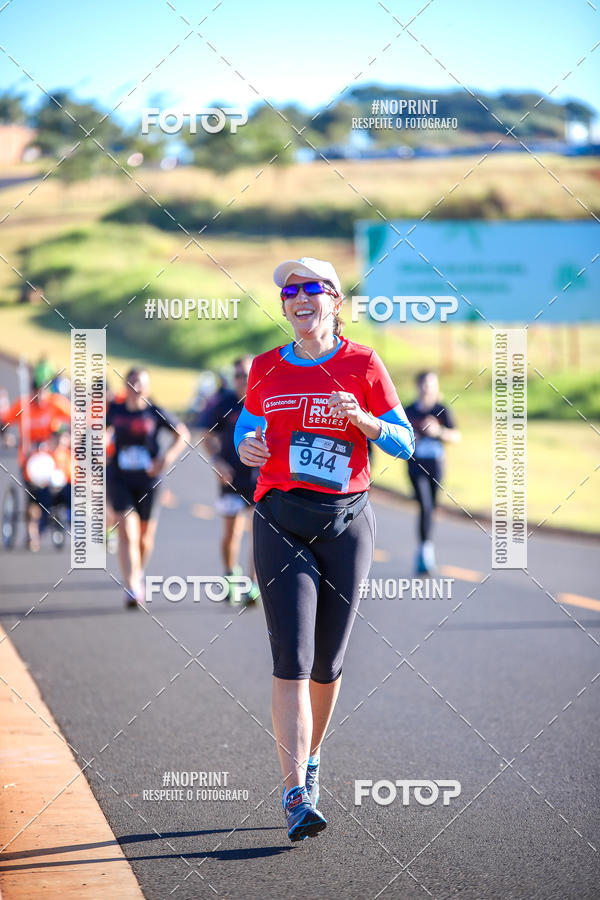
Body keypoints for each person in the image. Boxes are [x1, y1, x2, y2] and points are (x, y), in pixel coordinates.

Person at [234, 257, 414, 842]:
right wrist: (249, 450)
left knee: (327, 665)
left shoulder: (362, 363)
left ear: (335, 301)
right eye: (289, 291)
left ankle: (311, 759)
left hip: (347, 523)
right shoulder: (265, 366)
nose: (299, 298)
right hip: (280, 519)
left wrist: (364, 421)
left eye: (313, 289)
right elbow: (245, 430)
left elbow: (405, 441)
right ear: (283, 306)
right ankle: (294, 794)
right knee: (292, 657)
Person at [106, 368, 189, 608]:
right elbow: (100, 431)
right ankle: (132, 586)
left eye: (140, 384)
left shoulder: (155, 412)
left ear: (148, 388)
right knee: (127, 531)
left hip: (149, 481)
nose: (135, 388)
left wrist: (166, 458)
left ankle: (137, 572)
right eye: (131, 383)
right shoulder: (116, 410)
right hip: (120, 478)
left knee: (144, 538)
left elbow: (182, 434)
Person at [197, 356, 260, 605]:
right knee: (232, 532)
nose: (242, 380)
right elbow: (207, 435)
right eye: (238, 376)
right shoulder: (223, 402)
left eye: (246, 375)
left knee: (259, 533)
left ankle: (252, 583)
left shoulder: (266, 400)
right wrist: (217, 463)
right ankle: (230, 575)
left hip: (260, 478)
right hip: (230, 477)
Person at [1, 373, 71, 550]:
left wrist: (69, 436)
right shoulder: (23, 406)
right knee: (33, 498)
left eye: (43, 392)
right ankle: (33, 535)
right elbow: (5, 421)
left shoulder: (55, 404)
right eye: (37, 392)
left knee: (58, 489)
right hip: (29, 461)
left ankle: (56, 517)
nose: (40, 397)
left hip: (52, 460)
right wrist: (6, 434)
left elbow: (76, 418)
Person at [404, 371, 461, 574]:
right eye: (424, 384)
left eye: (431, 384)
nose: (427, 388)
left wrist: (438, 432)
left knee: (432, 507)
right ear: (418, 386)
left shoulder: (441, 410)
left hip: (436, 466)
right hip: (415, 466)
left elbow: (456, 436)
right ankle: (425, 551)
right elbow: (397, 434)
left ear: (436, 387)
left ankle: (424, 548)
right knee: (425, 505)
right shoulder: (408, 410)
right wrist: (412, 438)